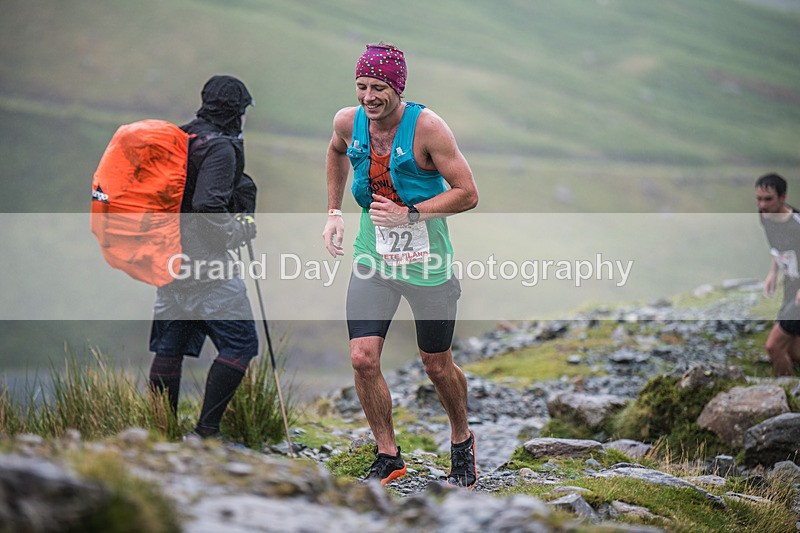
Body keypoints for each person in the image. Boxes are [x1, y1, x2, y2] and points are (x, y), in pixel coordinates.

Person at [322, 43, 480, 488]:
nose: (368, 97)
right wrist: (333, 212)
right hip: (374, 259)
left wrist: (409, 214)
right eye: (362, 86)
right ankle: (388, 454)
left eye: (378, 88)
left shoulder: (428, 128)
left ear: (398, 87)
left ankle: (462, 439)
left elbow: (468, 193)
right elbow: (335, 151)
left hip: (428, 264)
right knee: (362, 358)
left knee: (436, 365)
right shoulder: (348, 121)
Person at [148, 75, 260, 439]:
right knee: (241, 344)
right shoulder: (221, 148)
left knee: (171, 346)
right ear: (236, 112)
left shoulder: (181, 137)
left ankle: (162, 435)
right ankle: (205, 433)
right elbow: (207, 205)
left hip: (168, 258)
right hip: (208, 265)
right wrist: (237, 232)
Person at [756, 172, 800, 376]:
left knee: (774, 347)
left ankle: (785, 391)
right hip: (790, 288)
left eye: (768, 199)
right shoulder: (765, 217)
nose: (762, 205)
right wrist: (772, 272)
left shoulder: (796, 223)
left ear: (783, 197)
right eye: (759, 199)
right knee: (794, 351)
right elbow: (778, 247)